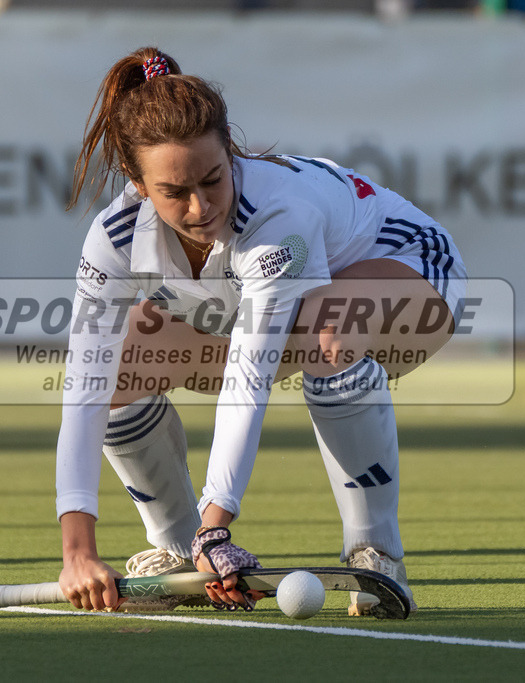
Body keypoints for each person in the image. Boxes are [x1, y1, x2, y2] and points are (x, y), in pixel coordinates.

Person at [56, 47, 466, 614]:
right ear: (138, 182)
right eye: (175, 193)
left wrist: (217, 524)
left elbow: (250, 377)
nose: (200, 208)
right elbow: (85, 387)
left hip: (412, 273)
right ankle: (178, 558)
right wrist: (77, 550)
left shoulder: (277, 220)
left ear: (231, 150)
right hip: (252, 307)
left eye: (213, 180)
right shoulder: (113, 238)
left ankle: (375, 555)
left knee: (332, 333)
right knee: (124, 362)